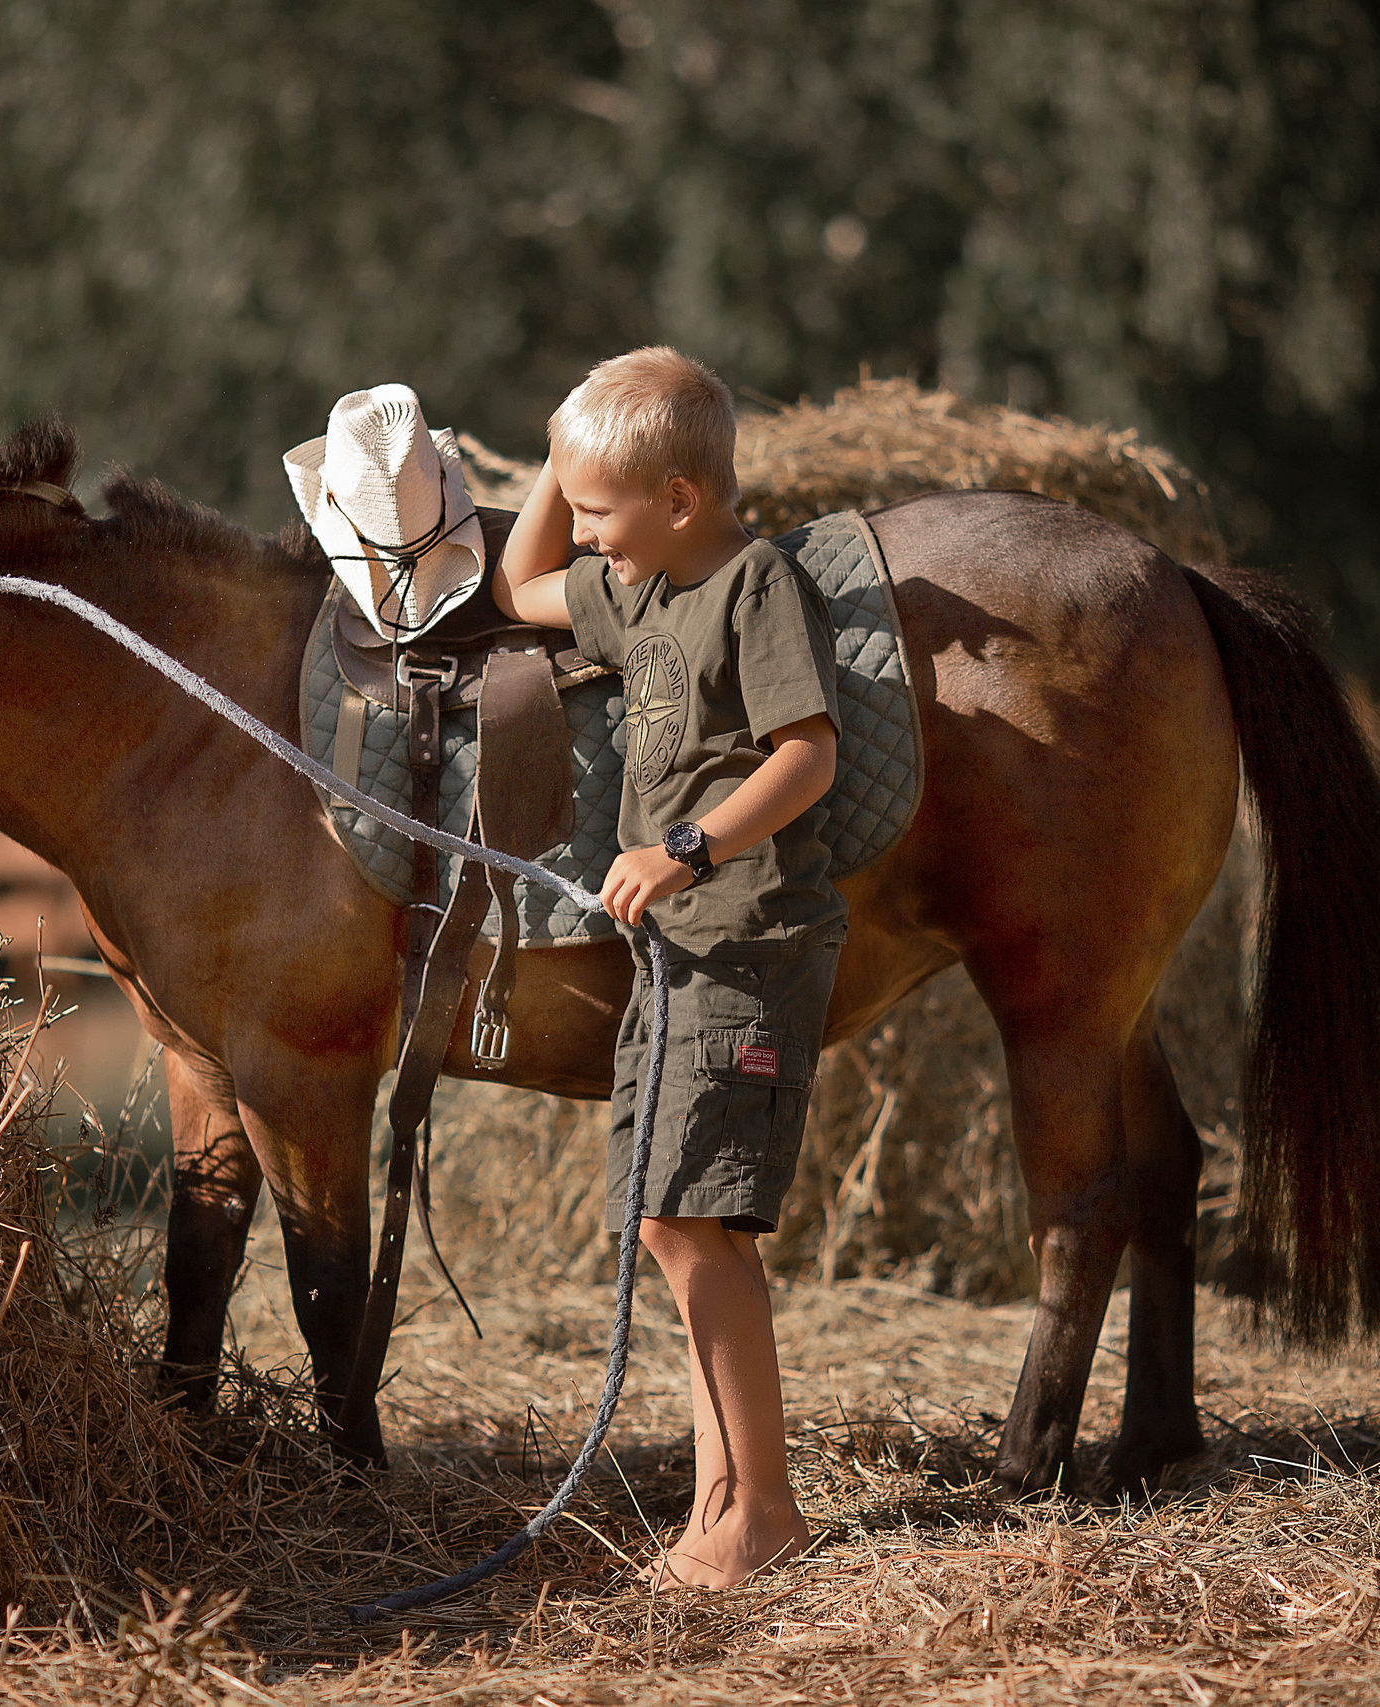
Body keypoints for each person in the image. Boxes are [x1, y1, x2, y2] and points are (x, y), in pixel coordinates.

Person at [493, 346, 845, 1588]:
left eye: (599, 509)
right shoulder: (624, 592)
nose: (581, 535)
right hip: (674, 951)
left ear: (681, 499)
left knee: (697, 1221)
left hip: (744, 932)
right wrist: (555, 455)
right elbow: (516, 577)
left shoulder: (751, 586)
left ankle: (764, 1515)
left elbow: (807, 756)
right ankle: (720, 1505)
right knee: (665, 1219)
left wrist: (688, 847)